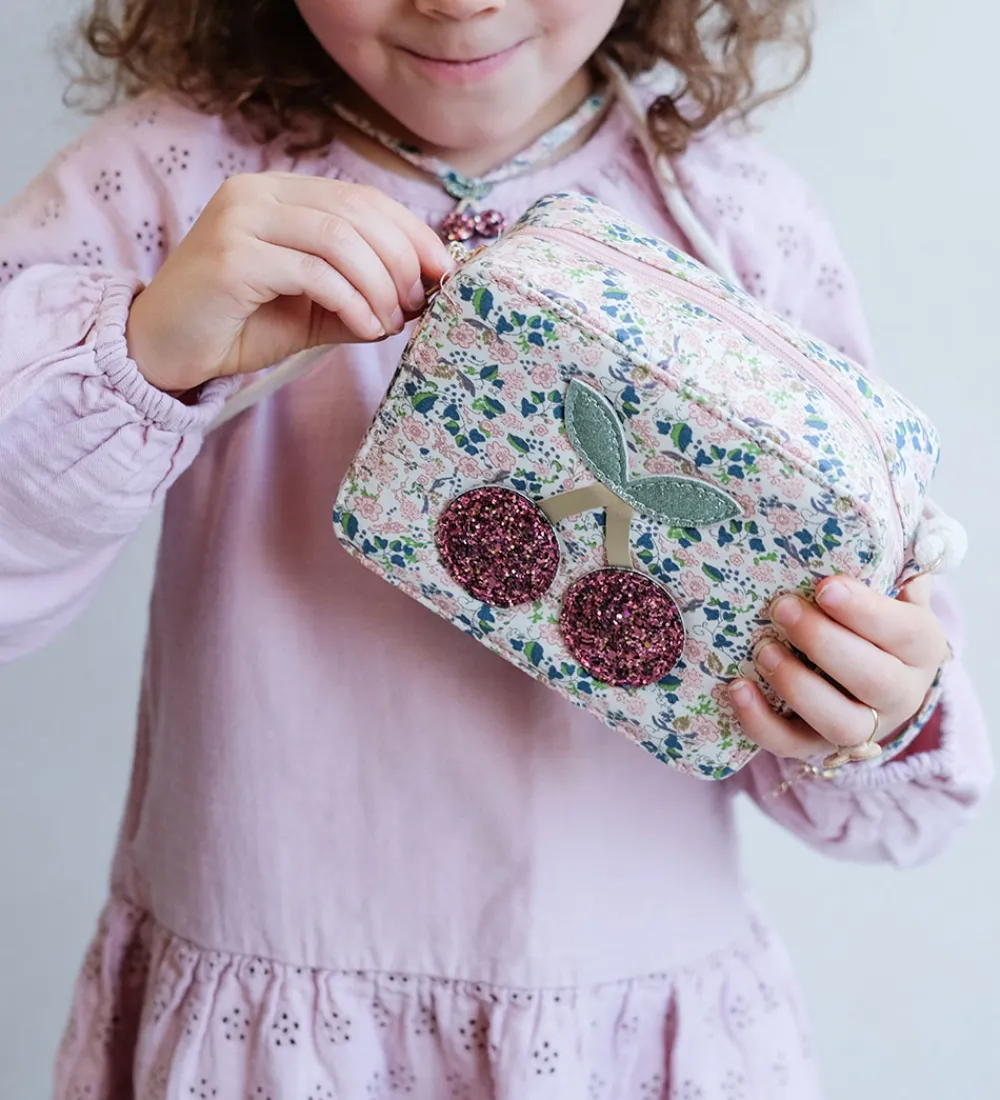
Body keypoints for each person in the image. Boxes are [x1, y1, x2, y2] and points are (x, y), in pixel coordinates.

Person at [0, 1, 991, 1097]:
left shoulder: (735, 217)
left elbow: (906, 809)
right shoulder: (168, 182)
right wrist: (142, 352)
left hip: (622, 1036)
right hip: (265, 1025)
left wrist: (875, 702)